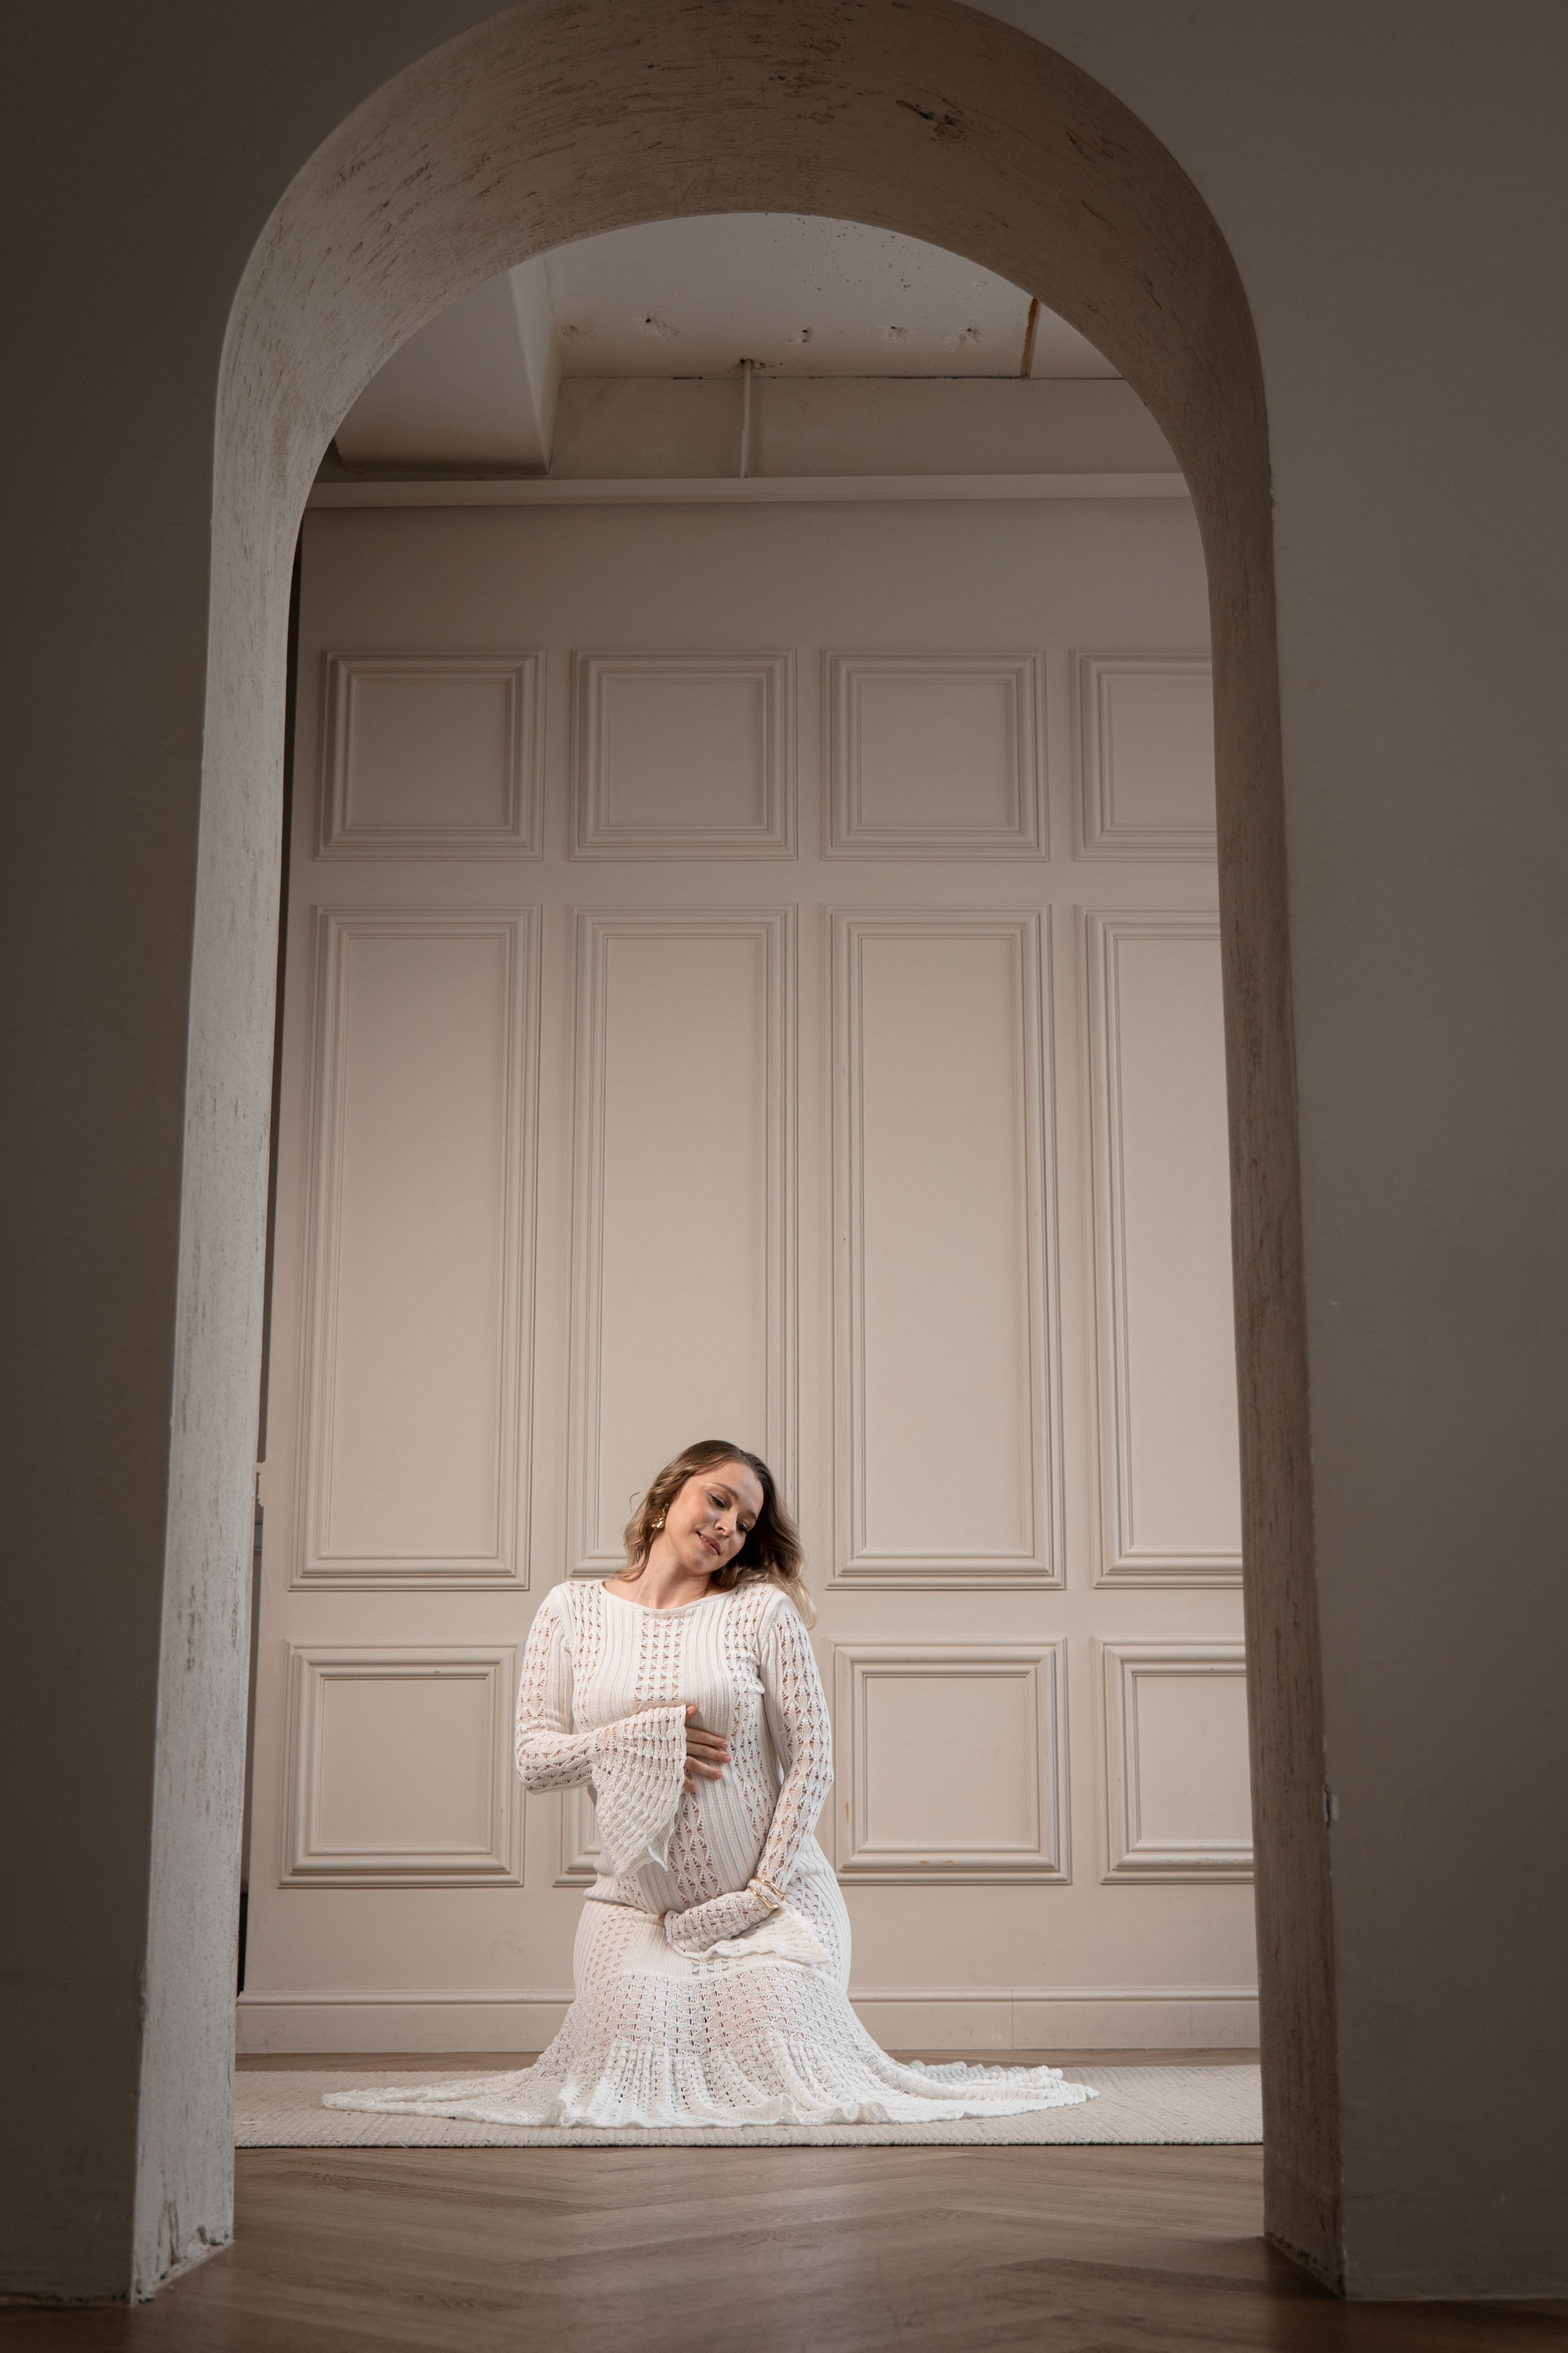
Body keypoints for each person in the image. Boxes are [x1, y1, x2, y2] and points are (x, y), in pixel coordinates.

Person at [325, 1439, 1094, 2129]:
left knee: (784, 2065)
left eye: (746, 1521)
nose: (729, 1525)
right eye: (718, 1500)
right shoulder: (570, 1610)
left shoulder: (760, 1611)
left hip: (773, 1908)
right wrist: (640, 1735)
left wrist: (760, 1893)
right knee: (620, 2071)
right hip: (640, 1910)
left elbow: (814, 1759)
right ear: (669, 1496)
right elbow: (535, 1759)